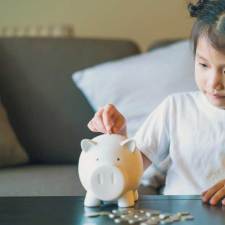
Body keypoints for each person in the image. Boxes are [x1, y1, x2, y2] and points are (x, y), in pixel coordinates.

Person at [87, 0, 225, 206]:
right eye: (203, 64)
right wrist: (118, 136)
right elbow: (129, 169)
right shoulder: (176, 108)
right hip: (183, 219)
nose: (214, 82)